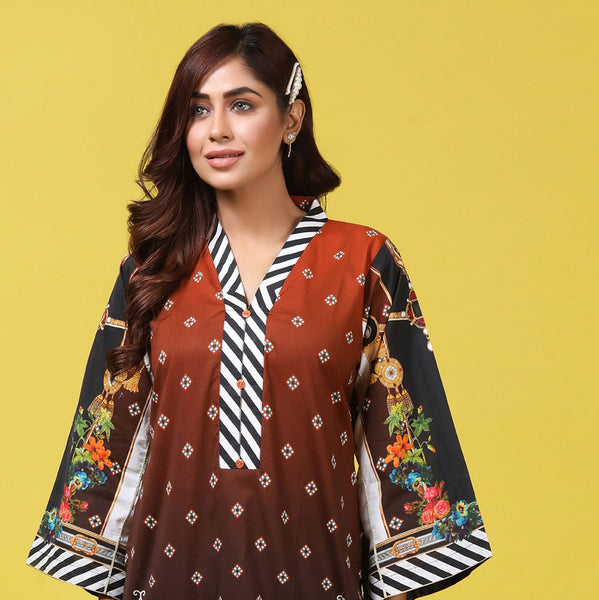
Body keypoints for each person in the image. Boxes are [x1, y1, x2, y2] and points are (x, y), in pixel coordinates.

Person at [26, 22, 491, 600]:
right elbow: (112, 445)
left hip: (316, 577)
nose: (216, 130)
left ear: (292, 118)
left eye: (241, 105)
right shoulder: (152, 268)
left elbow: (401, 447)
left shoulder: (362, 263)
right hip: (170, 578)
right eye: (198, 110)